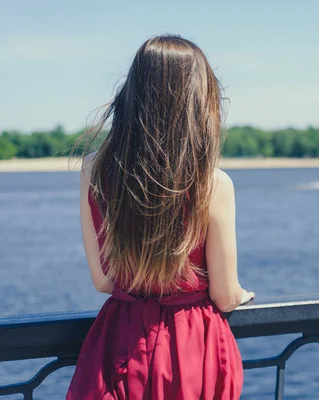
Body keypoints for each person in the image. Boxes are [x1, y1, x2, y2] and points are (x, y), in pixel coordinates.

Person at [66, 35, 254, 400]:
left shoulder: (95, 169)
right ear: (199, 101)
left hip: (119, 341)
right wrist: (239, 294)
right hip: (189, 349)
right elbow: (225, 295)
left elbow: (104, 281)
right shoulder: (212, 183)